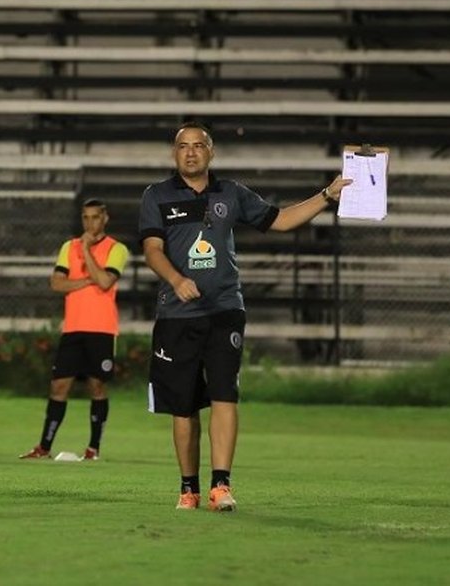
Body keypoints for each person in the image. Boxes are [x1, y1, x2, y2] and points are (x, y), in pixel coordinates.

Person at [139, 123, 351, 512]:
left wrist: (327, 196)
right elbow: (152, 249)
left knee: (224, 394)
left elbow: (281, 220)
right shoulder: (157, 195)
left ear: (211, 152)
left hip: (225, 311)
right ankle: (189, 488)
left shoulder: (231, 193)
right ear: (174, 153)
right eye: (183, 146)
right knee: (183, 406)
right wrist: (176, 278)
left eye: (198, 146)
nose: (190, 152)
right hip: (176, 314)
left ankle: (221, 485)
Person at [20, 198, 129, 461]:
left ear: (105, 219)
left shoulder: (117, 249)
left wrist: (88, 252)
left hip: (101, 329)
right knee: (58, 386)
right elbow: (57, 284)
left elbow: (105, 282)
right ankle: (44, 447)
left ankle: (93, 449)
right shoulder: (68, 247)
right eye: (85, 218)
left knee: (97, 388)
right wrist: (88, 279)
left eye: (95, 217)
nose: (90, 223)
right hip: (73, 329)